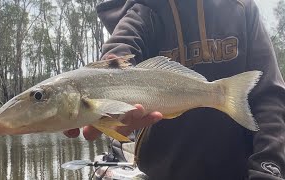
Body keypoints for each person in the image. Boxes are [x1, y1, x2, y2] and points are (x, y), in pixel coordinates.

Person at [64, 0, 285, 179]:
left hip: (242, 172)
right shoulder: (143, 12)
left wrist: (268, 169)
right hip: (162, 172)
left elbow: (270, 100)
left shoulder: (242, 8)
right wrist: (107, 73)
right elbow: (119, 50)